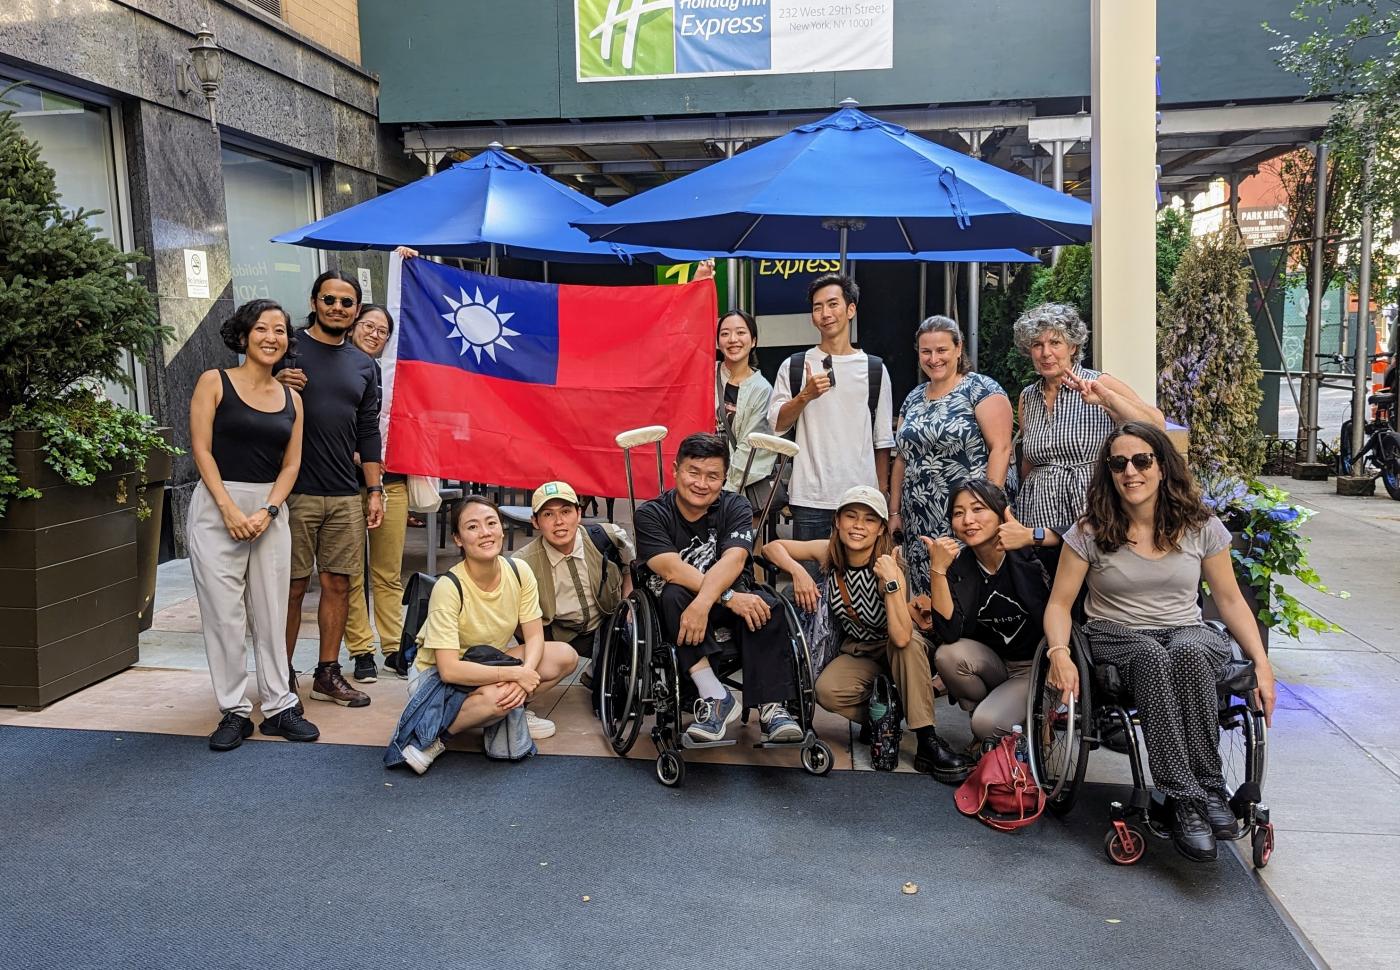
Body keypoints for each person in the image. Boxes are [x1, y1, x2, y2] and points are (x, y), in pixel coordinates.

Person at [1043, 421, 1277, 863]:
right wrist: (1059, 653)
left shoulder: (1200, 526)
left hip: (1186, 631)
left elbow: (1228, 600)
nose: (1131, 471)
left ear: (1163, 467)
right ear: (1109, 472)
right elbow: (1059, 606)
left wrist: (1261, 664)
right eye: (1119, 463)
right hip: (1117, 635)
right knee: (1151, 654)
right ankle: (1183, 798)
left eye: (1142, 460)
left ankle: (1209, 787)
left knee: (1187, 650)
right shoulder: (1090, 532)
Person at [763, 486, 973, 782]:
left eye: (869, 520)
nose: (858, 526)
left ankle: (927, 740)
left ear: (881, 529)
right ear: (837, 521)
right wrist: (797, 572)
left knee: (908, 646)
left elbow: (901, 637)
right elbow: (772, 547)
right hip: (859, 650)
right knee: (827, 690)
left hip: (897, 648)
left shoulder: (888, 563)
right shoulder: (829, 553)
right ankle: (884, 715)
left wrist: (890, 582)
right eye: (851, 516)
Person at [186, 300, 320, 750]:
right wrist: (227, 508)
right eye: (262, 329)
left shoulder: (294, 399)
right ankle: (234, 710)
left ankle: (280, 705)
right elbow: (201, 451)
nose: (271, 337)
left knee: (271, 611)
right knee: (224, 616)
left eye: (280, 330)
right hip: (217, 506)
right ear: (243, 336)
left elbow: (291, 464)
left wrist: (267, 511)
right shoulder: (214, 382)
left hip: (269, 512)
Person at [633, 433, 802, 744]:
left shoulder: (735, 505)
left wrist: (718, 599)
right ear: (675, 470)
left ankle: (772, 707)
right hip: (680, 607)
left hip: (726, 601)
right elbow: (671, 568)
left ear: (724, 478)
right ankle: (714, 695)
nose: (701, 483)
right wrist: (723, 598)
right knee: (673, 594)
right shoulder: (651, 513)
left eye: (712, 476)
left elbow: (735, 559)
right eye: (693, 472)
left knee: (767, 605)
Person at [395, 495, 579, 774]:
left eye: (491, 523)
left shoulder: (519, 571)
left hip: (486, 662)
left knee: (564, 656)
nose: (485, 533)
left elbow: (534, 637)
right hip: (433, 677)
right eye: (472, 527)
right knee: (496, 697)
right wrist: (515, 675)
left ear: (501, 529)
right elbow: (449, 670)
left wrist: (524, 678)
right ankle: (433, 739)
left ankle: (513, 707)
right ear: (458, 538)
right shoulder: (449, 586)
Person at [275, 270, 384, 709]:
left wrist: (374, 489)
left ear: (356, 311)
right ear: (315, 301)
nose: (337, 308)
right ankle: (279, 674)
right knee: (291, 587)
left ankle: (327, 673)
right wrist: (275, 384)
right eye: (329, 300)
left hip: (344, 493)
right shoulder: (286, 348)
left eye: (346, 303)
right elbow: (248, 399)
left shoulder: (364, 364)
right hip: (293, 490)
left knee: (339, 584)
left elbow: (368, 431)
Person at [1004, 303, 1163, 552]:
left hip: (1092, 513)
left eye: (1055, 343)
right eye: (1037, 345)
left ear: (1073, 346)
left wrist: (1106, 399)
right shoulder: (1028, 396)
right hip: (1037, 516)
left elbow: (1156, 425)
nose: (1046, 353)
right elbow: (1029, 463)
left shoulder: (1098, 383)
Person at [768, 273, 895, 557]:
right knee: (809, 592)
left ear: (851, 309)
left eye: (833, 304)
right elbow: (776, 424)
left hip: (860, 501)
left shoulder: (874, 369)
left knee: (858, 590)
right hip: (810, 497)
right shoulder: (795, 366)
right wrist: (805, 395)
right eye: (817, 307)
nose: (825, 313)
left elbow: (882, 441)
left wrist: (881, 496)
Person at [889, 315, 1014, 596]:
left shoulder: (981, 389)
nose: (934, 358)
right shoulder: (912, 398)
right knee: (929, 589)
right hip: (920, 516)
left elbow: (1001, 448)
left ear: (958, 349)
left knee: (971, 587)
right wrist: (894, 511)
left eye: (942, 350)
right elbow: (901, 458)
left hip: (967, 515)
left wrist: (988, 509)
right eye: (926, 351)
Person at [925, 479, 1054, 745]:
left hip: (1037, 667)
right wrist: (938, 570)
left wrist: (1033, 535)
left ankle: (1031, 717)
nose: (968, 520)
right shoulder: (960, 567)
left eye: (978, 509)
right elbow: (949, 633)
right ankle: (992, 715)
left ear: (1001, 513)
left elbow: (1081, 536)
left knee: (986, 725)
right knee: (949, 655)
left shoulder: (1032, 554)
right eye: (958, 513)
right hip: (995, 664)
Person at [342, 303, 411, 681]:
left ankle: (393, 647)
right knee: (350, 571)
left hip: (393, 484)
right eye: (367, 325)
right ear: (353, 327)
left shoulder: (398, 376)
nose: (373, 333)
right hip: (345, 485)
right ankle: (361, 650)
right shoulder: (338, 369)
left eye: (382, 329)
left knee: (387, 572)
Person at [513, 480, 635, 682]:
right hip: (558, 634)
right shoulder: (521, 563)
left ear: (578, 514)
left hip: (606, 623)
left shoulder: (608, 537)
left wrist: (627, 608)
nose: (559, 521)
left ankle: (597, 670)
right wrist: (537, 644)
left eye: (565, 511)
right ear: (535, 521)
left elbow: (629, 566)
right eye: (548, 514)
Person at [715, 309, 778, 524]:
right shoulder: (704, 374)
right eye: (725, 334)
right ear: (717, 342)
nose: (733, 340)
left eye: (740, 333)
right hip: (699, 485)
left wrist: (722, 493)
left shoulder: (762, 390)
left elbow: (751, 448)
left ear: (753, 341)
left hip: (736, 494)